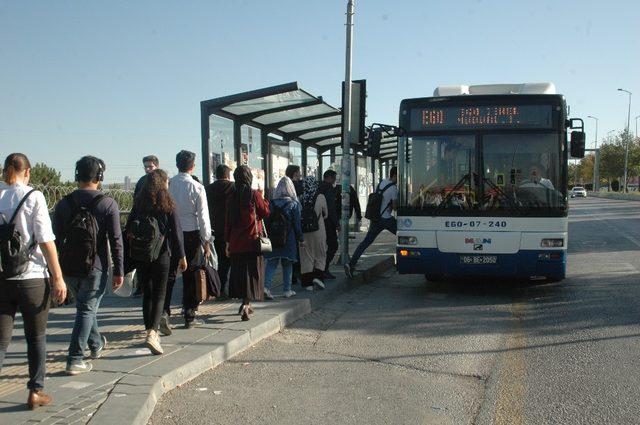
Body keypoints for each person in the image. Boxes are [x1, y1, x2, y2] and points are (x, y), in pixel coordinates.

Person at [0, 153, 67, 409]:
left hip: (2, 277)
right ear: (27, 172)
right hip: (32, 278)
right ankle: (35, 391)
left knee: (1, 340)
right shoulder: (33, 196)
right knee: (36, 338)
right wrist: (58, 277)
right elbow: (45, 240)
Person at [52, 156, 124, 375]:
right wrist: (119, 270)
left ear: (77, 176)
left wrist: (54, 272)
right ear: (100, 176)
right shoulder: (107, 203)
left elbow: (53, 239)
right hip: (96, 266)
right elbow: (116, 239)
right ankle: (75, 359)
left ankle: (96, 344)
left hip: (67, 267)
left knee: (85, 307)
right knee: (86, 309)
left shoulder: (63, 203)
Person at [127, 169, 187, 355]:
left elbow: (129, 227)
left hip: (142, 254)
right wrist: (182, 257)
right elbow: (176, 233)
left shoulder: (139, 203)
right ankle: (153, 333)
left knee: (148, 293)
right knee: (160, 294)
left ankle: (149, 330)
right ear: (163, 184)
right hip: (161, 254)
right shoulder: (168, 204)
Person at [162, 150, 212, 331]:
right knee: (191, 274)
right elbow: (203, 217)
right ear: (192, 166)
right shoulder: (197, 187)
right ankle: (189, 314)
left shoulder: (168, 185)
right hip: (191, 234)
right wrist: (206, 241)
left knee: (170, 275)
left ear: (177, 165)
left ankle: (164, 312)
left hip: (171, 233)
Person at [225, 165, 270, 321]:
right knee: (251, 273)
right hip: (252, 241)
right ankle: (246, 304)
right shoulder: (254, 194)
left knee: (239, 273)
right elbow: (265, 212)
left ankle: (245, 303)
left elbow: (228, 222)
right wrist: (264, 198)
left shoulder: (232, 196)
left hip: (236, 243)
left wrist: (227, 242)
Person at [345, 167, 398, 278]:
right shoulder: (393, 188)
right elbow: (395, 207)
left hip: (376, 218)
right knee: (404, 236)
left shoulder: (382, 182)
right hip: (386, 219)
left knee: (366, 242)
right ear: (395, 175)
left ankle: (351, 264)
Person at [263, 176, 304, 299]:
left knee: (271, 263)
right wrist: (301, 239)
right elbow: (297, 224)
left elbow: (266, 221)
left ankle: (266, 287)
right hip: (289, 239)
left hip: (273, 238)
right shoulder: (294, 204)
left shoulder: (271, 203)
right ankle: (287, 290)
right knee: (287, 264)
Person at [130, 155, 160, 297]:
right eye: (146, 167)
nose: (148, 169)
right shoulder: (142, 182)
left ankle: (152, 284)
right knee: (142, 256)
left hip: (157, 225)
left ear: (156, 166)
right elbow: (135, 204)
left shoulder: (161, 181)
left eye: (150, 167)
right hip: (143, 224)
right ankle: (142, 285)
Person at [205, 164, 234, 297]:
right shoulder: (233, 188)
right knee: (227, 260)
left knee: (214, 259)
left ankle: (215, 287)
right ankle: (225, 287)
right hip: (229, 229)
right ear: (228, 175)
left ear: (216, 175)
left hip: (212, 229)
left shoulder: (208, 189)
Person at [299, 176, 328, 291]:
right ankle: (318, 278)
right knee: (320, 254)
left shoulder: (300, 197)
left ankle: (308, 284)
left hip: (304, 232)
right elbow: (326, 214)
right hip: (318, 231)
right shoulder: (320, 197)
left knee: (306, 256)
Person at [318, 169, 339, 280]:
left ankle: (319, 270)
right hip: (328, 222)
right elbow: (331, 208)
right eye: (334, 178)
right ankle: (324, 269)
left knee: (320, 247)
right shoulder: (329, 188)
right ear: (329, 178)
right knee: (333, 245)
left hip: (317, 223)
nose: (335, 181)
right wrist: (337, 224)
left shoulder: (318, 187)